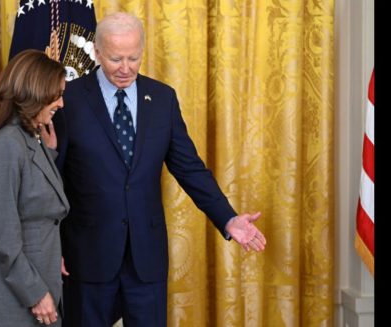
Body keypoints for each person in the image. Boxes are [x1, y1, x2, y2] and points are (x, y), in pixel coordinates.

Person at [53, 12, 267, 327]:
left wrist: (228, 217)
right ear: (97, 52)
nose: (125, 68)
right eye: (115, 59)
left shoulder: (163, 99)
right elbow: (51, 179)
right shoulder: (67, 100)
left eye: (133, 58)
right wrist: (50, 248)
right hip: (86, 256)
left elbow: (190, 168)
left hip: (146, 258)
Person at [0, 49, 70, 327]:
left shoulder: (30, 136)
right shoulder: (8, 144)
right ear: (36, 92)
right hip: (14, 293)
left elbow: (32, 198)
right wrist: (35, 294)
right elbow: (0, 234)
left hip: (33, 277)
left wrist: (49, 153)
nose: (62, 103)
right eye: (56, 94)